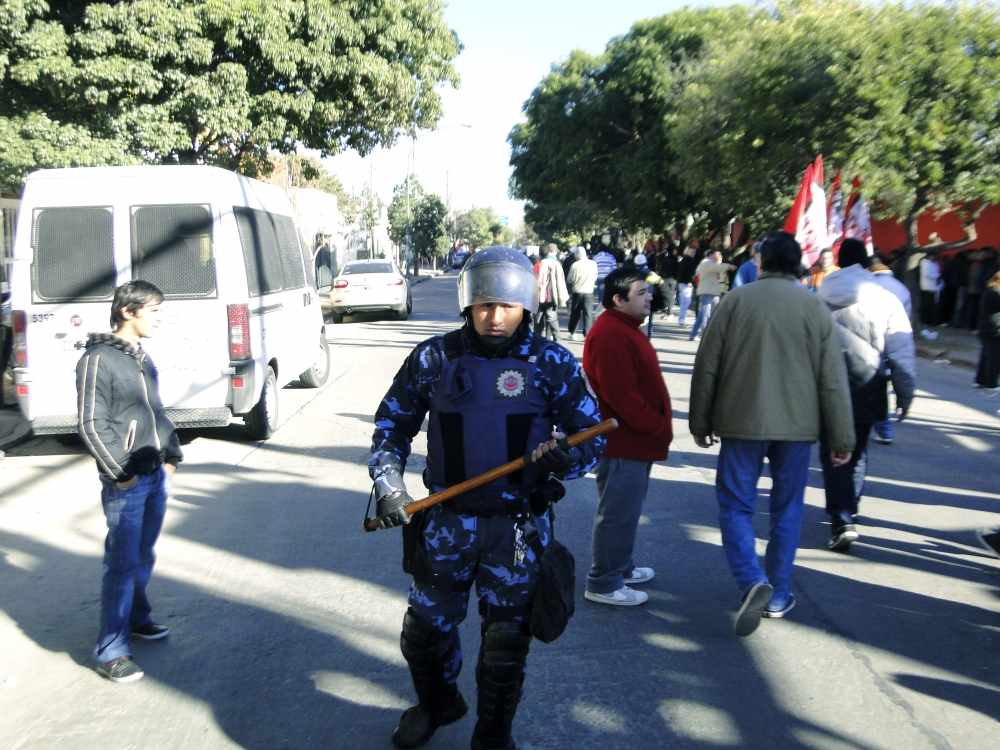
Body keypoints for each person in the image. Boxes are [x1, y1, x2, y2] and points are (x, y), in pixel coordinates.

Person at [369, 246, 604, 750]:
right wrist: (389, 484)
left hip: (516, 527)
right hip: (446, 522)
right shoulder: (434, 358)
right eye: (483, 305)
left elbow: (593, 438)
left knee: (505, 647)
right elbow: (391, 425)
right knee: (423, 636)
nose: (494, 317)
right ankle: (437, 704)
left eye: (507, 306)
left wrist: (566, 458)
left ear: (527, 305)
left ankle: (493, 733)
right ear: (466, 303)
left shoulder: (552, 363)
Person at [689, 232, 854, 636]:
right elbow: (832, 378)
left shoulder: (735, 302)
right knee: (787, 509)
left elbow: (707, 365)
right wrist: (842, 438)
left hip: (741, 424)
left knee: (735, 506)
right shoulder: (814, 307)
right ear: (798, 264)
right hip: (798, 430)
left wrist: (700, 421)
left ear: (761, 262)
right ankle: (778, 592)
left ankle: (751, 581)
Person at [77, 280, 182, 683]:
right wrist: (120, 472)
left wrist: (172, 455)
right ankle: (110, 650)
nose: (160, 318)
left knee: (143, 555)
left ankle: (137, 618)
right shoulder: (98, 359)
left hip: (155, 475)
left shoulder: (141, 357)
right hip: (127, 481)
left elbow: (154, 411)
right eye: (153, 311)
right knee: (121, 564)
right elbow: (90, 422)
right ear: (128, 311)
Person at [818, 239, 916, 552]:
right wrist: (905, 395)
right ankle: (851, 509)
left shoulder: (819, 294)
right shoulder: (886, 299)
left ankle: (841, 519)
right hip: (869, 385)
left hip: (826, 385)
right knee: (857, 453)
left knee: (832, 453)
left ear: (839, 261)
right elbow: (902, 353)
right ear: (866, 262)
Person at [582, 267, 673, 607]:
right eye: (641, 292)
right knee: (617, 513)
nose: (650, 296)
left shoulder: (624, 327)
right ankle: (604, 582)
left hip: (635, 440)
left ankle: (620, 567)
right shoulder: (611, 333)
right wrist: (653, 424)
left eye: (648, 291)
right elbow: (622, 396)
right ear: (618, 300)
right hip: (624, 441)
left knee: (627, 510)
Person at [869, 259, 913, 444]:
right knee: (881, 388)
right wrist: (905, 397)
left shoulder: (867, 286)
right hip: (888, 342)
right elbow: (904, 321)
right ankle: (884, 428)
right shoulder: (901, 288)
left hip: (865, 344)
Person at [689, 249, 734, 341]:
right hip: (707, 292)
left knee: (702, 314)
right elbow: (715, 267)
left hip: (712, 292)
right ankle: (705, 335)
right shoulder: (706, 262)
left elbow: (719, 274)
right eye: (718, 254)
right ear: (711, 255)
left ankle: (693, 334)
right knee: (706, 314)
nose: (720, 255)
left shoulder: (712, 264)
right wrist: (729, 266)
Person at [533, 243, 568, 341]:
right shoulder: (556, 264)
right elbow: (561, 281)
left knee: (538, 321)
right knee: (552, 319)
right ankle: (556, 339)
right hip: (552, 297)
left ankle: (537, 340)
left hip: (539, 298)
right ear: (549, 253)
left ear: (539, 254)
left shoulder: (536, 266)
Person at [974, 268, 1000, 391]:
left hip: (987, 328)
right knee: (994, 357)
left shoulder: (990, 291)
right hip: (993, 328)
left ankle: (980, 380)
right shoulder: (995, 292)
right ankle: (991, 383)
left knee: (986, 356)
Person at [566, 246, 598, 341]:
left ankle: (573, 333)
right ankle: (587, 334)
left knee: (575, 313)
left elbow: (570, 279)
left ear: (577, 254)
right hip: (589, 291)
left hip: (577, 291)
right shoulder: (593, 264)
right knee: (588, 314)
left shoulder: (575, 265)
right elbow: (596, 276)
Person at [676, 245, 698, 326]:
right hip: (685, 283)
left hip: (685, 283)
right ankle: (682, 320)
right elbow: (684, 272)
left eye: (694, 252)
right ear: (688, 251)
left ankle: (682, 319)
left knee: (685, 302)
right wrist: (688, 281)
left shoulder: (690, 260)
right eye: (691, 251)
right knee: (685, 302)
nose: (693, 253)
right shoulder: (686, 260)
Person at [919, 253, 943, 326]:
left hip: (932, 287)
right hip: (928, 287)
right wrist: (938, 275)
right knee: (928, 306)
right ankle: (926, 320)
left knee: (931, 305)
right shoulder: (926, 263)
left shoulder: (932, 263)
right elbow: (927, 274)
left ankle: (929, 320)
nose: (934, 257)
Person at [593, 242, 617, 312]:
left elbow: (594, 268)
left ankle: (601, 309)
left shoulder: (596, 257)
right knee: (608, 293)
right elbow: (614, 268)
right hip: (608, 278)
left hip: (599, 277)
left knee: (601, 294)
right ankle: (608, 308)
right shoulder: (611, 257)